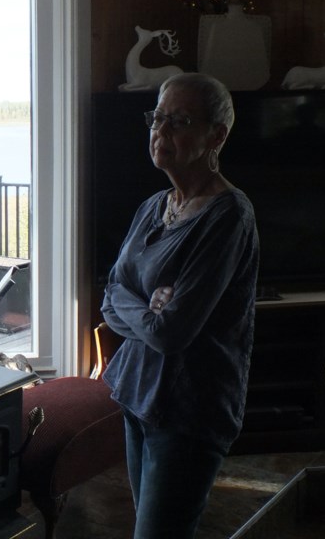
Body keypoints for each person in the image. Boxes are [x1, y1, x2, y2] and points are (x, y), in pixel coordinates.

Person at [100, 72, 259, 538]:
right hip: (136, 393)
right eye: (158, 118)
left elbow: (172, 333)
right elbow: (110, 296)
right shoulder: (152, 207)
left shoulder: (229, 216)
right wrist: (148, 309)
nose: (160, 132)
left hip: (189, 412)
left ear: (217, 135)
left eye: (180, 121)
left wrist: (149, 314)